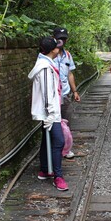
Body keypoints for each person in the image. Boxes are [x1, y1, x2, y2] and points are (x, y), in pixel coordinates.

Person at [28, 36, 69, 191]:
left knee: (47, 140)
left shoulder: (45, 64)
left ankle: (45, 169)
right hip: (50, 114)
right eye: (57, 47)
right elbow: (46, 95)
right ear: (54, 50)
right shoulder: (45, 68)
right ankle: (58, 176)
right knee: (58, 141)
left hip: (51, 112)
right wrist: (51, 116)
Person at [53, 27, 80, 159]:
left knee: (66, 123)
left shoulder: (67, 55)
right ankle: (55, 150)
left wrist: (75, 91)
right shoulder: (49, 55)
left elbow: (70, 74)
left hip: (66, 94)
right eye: (59, 38)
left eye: (63, 38)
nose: (61, 41)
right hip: (53, 97)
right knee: (54, 125)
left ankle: (66, 149)